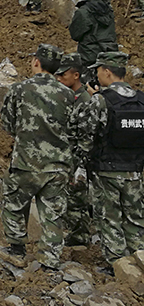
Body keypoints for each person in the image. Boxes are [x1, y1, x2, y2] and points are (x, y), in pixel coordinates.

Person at [0, 44, 74, 270]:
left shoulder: (19, 89)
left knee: (13, 202)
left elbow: (7, 123)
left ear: (36, 62)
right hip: (58, 164)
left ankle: (17, 249)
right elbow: (75, 129)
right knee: (52, 212)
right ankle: (50, 261)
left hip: (26, 162)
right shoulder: (68, 94)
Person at [84, 51, 144, 265]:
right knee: (136, 218)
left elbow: (86, 134)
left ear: (107, 72)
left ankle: (117, 265)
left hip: (106, 170)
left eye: (98, 70)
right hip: (135, 170)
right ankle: (139, 260)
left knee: (110, 219)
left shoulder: (101, 100)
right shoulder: (141, 100)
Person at [54, 53, 93, 247]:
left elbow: (86, 137)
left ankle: (80, 239)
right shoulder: (67, 97)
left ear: (76, 75)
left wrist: (81, 166)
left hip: (77, 160)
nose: (59, 79)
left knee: (77, 202)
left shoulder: (84, 100)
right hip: (66, 157)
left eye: (63, 75)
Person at [68, 0, 117, 71]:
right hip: (110, 55)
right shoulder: (108, 9)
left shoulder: (82, 12)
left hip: (90, 58)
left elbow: (75, 35)